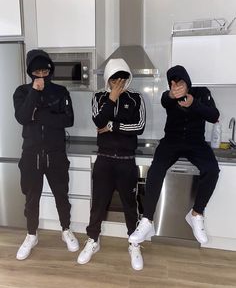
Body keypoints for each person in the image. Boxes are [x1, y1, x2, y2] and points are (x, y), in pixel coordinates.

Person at [129, 65, 220, 245]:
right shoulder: (168, 96)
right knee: (155, 170)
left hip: (196, 142)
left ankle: (196, 214)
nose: (176, 86)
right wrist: (172, 94)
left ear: (187, 82)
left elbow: (214, 115)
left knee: (212, 170)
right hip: (171, 141)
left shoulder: (202, 93)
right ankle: (147, 220)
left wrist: (194, 103)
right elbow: (165, 100)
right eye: (172, 84)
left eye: (180, 82)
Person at [77, 58, 146, 270]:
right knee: (98, 204)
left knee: (130, 206)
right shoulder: (98, 96)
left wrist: (112, 126)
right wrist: (112, 98)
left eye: (123, 79)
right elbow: (98, 122)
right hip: (104, 160)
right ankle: (93, 241)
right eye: (115, 79)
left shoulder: (136, 98)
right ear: (108, 78)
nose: (119, 83)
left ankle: (134, 243)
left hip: (126, 161)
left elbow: (139, 126)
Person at [13, 49, 79, 260]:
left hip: (56, 153)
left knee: (62, 195)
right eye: (36, 71)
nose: (41, 75)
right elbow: (23, 117)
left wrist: (39, 114)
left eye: (44, 70)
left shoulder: (60, 92)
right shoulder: (22, 92)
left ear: (50, 70)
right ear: (30, 72)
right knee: (31, 199)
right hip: (31, 154)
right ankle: (32, 235)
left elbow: (68, 120)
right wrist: (34, 93)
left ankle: (66, 230)